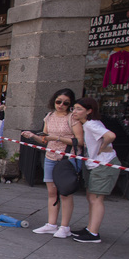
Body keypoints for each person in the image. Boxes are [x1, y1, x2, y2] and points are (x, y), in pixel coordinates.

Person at [22, 89, 83, 239]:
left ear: (70, 104)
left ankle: (65, 226)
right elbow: (45, 139)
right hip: (50, 155)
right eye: (58, 101)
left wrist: (58, 138)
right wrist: (33, 136)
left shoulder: (72, 118)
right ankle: (51, 223)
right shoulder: (49, 117)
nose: (61, 105)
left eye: (65, 103)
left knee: (65, 192)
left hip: (67, 158)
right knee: (52, 192)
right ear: (53, 101)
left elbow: (80, 141)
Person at [70, 97, 119, 244]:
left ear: (89, 111)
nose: (75, 112)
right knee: (91, 197)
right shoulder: (88, 124)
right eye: (74, 108)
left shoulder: (91, 124)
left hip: (104, 164)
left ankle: (93, 233)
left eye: (79, 109)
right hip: (95, 164)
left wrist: (103, 147)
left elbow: (111, 135)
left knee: (96, 199)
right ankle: (90, 228)